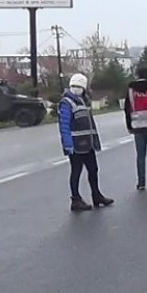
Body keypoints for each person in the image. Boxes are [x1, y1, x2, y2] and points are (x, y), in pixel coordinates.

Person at [59, 73, 114, 211]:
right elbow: (64, 124)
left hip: (88, 144)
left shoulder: (83, 101)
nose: (78, 89)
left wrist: (94, 141)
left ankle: (97, 195)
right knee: (76, 171)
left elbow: (89, 124)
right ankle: (75, 200)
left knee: (93, 170)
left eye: (79, 87)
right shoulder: (66, 103)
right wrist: (68, 144)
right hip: (76, 145)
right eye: (75, 86)